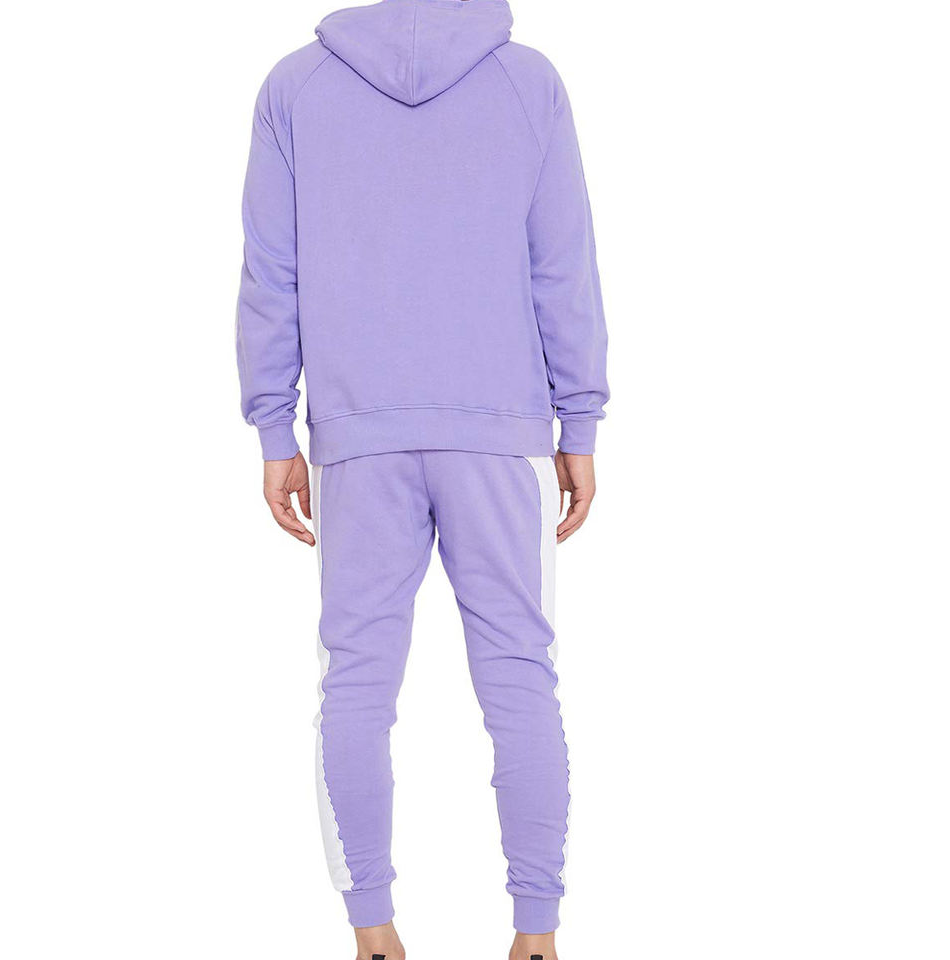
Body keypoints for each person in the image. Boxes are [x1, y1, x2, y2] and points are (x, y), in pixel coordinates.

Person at [236, 1, 608, 957]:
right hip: (499, 434)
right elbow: (562, 266)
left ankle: (373, 934)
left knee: (356, 685)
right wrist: (578, 418)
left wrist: (275, 428)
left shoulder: (296, 86)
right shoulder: (527, 82)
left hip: (357, 435)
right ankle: (537, 937)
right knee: (520, 677)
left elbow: (270, 273)